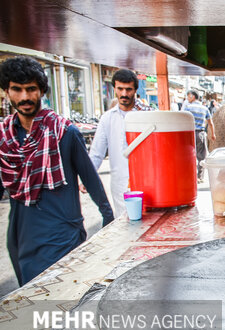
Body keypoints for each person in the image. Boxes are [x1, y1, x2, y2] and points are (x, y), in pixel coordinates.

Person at [0, 57, 114, 286]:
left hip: (62, 235)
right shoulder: (4, 138)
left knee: (63, 304)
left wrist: (108, 220)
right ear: (5, 92)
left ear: (42, 91)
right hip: (22, 237)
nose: (24, 97)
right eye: (17, 89)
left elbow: (91, 179)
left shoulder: (65, 133)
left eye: (31, 89)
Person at [88, 69, 151, 216]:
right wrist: (87, 178)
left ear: (135, 90)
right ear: (114, 88)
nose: (124, 94)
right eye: (120, 89)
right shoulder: (107, 118)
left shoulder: (147, 114)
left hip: (147, 181)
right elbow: (97, 153)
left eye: (128, 89)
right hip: (120, 183)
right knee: (125, 224)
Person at [182, 90, 215, 181]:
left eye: (188, 96)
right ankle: (199, 177)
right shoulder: (204, 108)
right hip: (200, 133)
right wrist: (213, 134)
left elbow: (182, 120)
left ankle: (190, 176)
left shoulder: (188, 108)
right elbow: (210, 123)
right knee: (201, 156)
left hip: (189, 133)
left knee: (188, 155)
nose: (188, 98)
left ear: (193, 96)